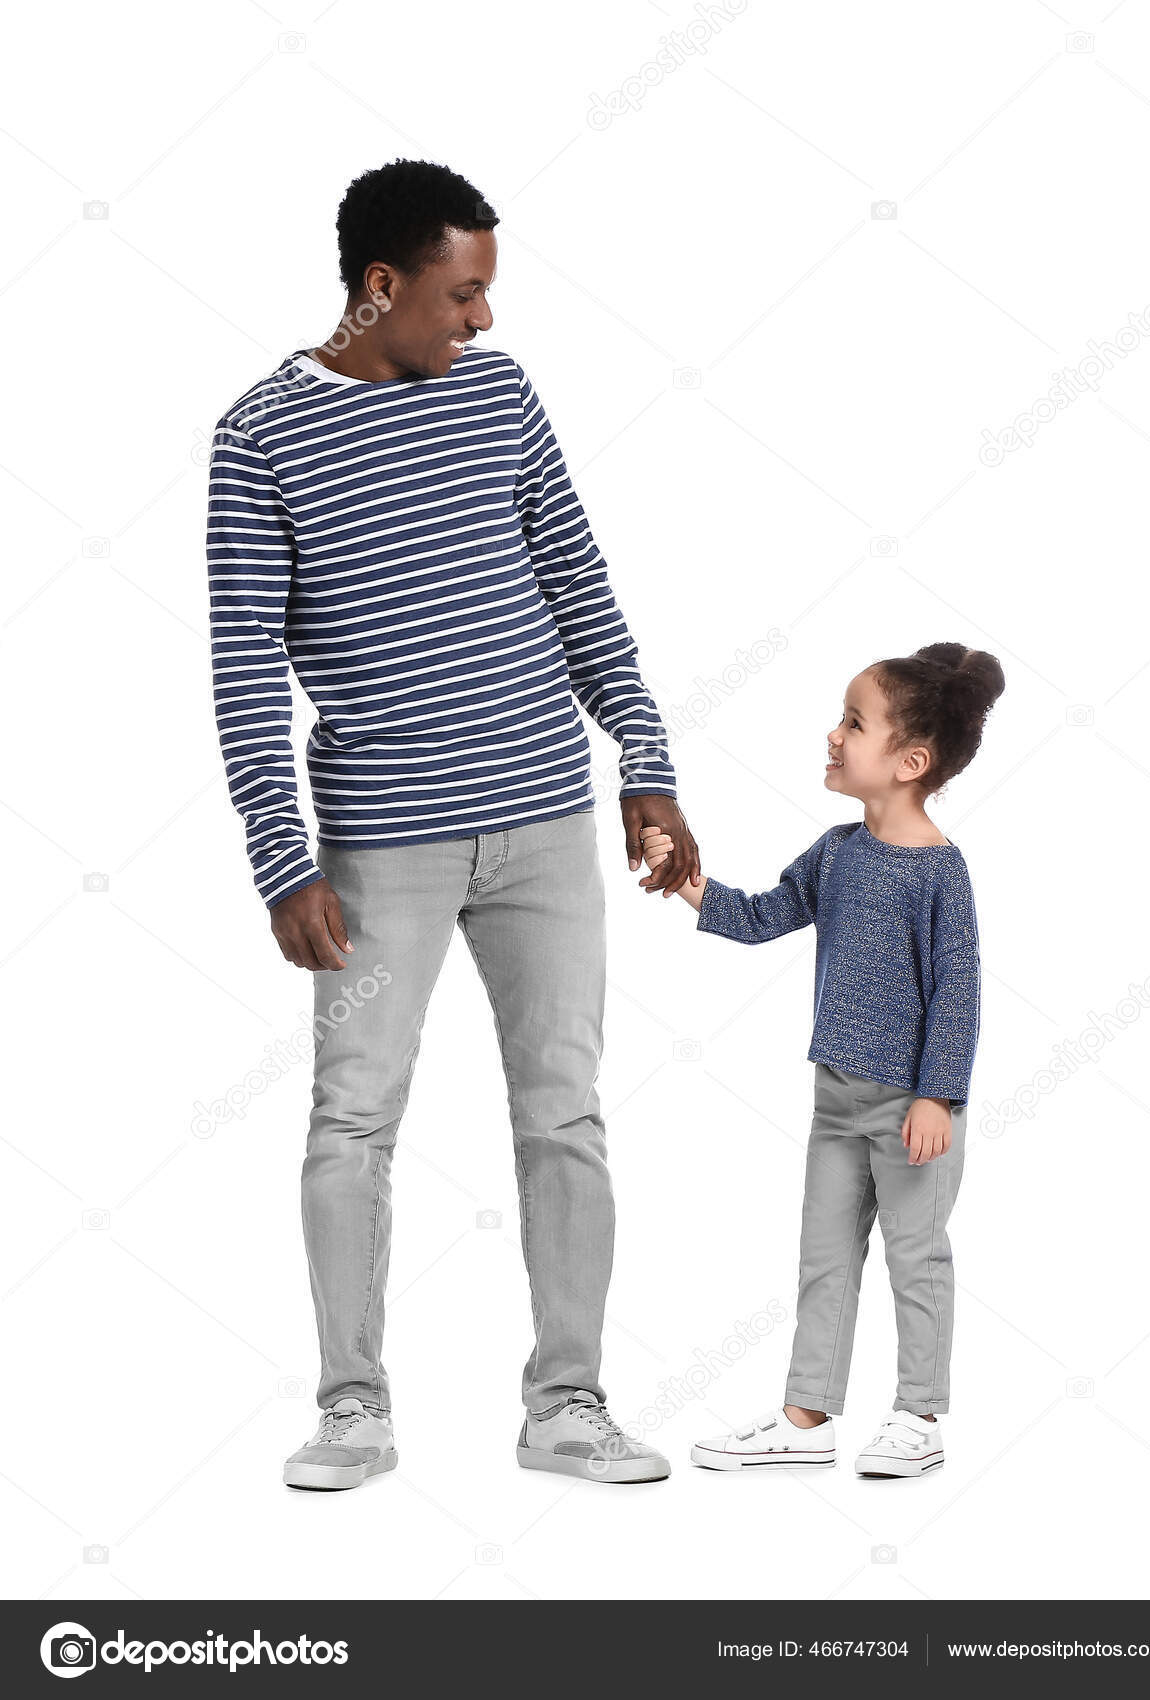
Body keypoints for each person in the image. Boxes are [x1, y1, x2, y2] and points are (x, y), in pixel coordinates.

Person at [206, 157, 700, 1490]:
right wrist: (280, 858)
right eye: (461, 294)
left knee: (566, 1112)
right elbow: (246, 663)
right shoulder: (257, 437)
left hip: (543, 818)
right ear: (383, 286)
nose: (481, 320)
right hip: (380, 846)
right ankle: (352, 1411)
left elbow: (576, 579)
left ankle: (569, 1410)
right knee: (351, 1121)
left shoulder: (499, 392)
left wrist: (643, 762)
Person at [640, 644, 1004, 1477]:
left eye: (853, 722)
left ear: (909, 761)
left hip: (911, 1107)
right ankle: (805, 1419)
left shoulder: (940, 874)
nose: (832, 735)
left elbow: (958, 994)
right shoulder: (837, 850)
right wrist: (684, 878)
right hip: (834, 1103)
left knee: (917, 1260)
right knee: (824, 1259)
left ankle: (918, 1416)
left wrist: (935, 1097)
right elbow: (763, 914)